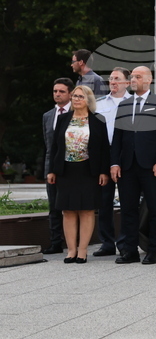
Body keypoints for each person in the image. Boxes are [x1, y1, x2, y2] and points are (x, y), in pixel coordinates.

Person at [110, 66, 156, 265]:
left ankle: (152, 251)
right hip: (127, 165)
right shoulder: (125, 105)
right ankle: (130, 251)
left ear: (148, 80)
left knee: (154, 209)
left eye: (137, 76)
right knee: (128, 209)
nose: (133, 80)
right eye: (132, 77)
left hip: (151, 165)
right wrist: (114, 163)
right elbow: (117, 138)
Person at [46, 86, 110, 263]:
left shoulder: (98, 120)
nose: (76, 99)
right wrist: (52, 170)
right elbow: (55, 147)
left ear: (88, 100)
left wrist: (104, 171)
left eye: (80, 96)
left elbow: (105, 148)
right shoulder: (63, 119)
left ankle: (82, 251)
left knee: (87, 210)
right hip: (66, 170)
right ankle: (71, 250)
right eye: (74, 96)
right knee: (68, 210)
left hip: (88, 170)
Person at [94, 67, 130, 256]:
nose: (113, 82)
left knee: (127, 199)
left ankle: (125, 242)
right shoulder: (99, 104)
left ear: (127, 82)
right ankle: (107, 242)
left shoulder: (133, 103)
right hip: (105, 153)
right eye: (111, 79)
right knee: (104, 199)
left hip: (127, 153)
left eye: (117, 78)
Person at [41, 78, 73, 254]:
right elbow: (48, 147)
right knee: (53, 206)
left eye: (61, 91)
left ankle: (73, 242)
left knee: (72, 206)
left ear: (69, 93)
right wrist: (48, 170)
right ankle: (55, 242)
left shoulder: (78, 113)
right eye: (55, 91)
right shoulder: (47, 116)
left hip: (73, 167)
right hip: (53, 169)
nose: (57, 94)